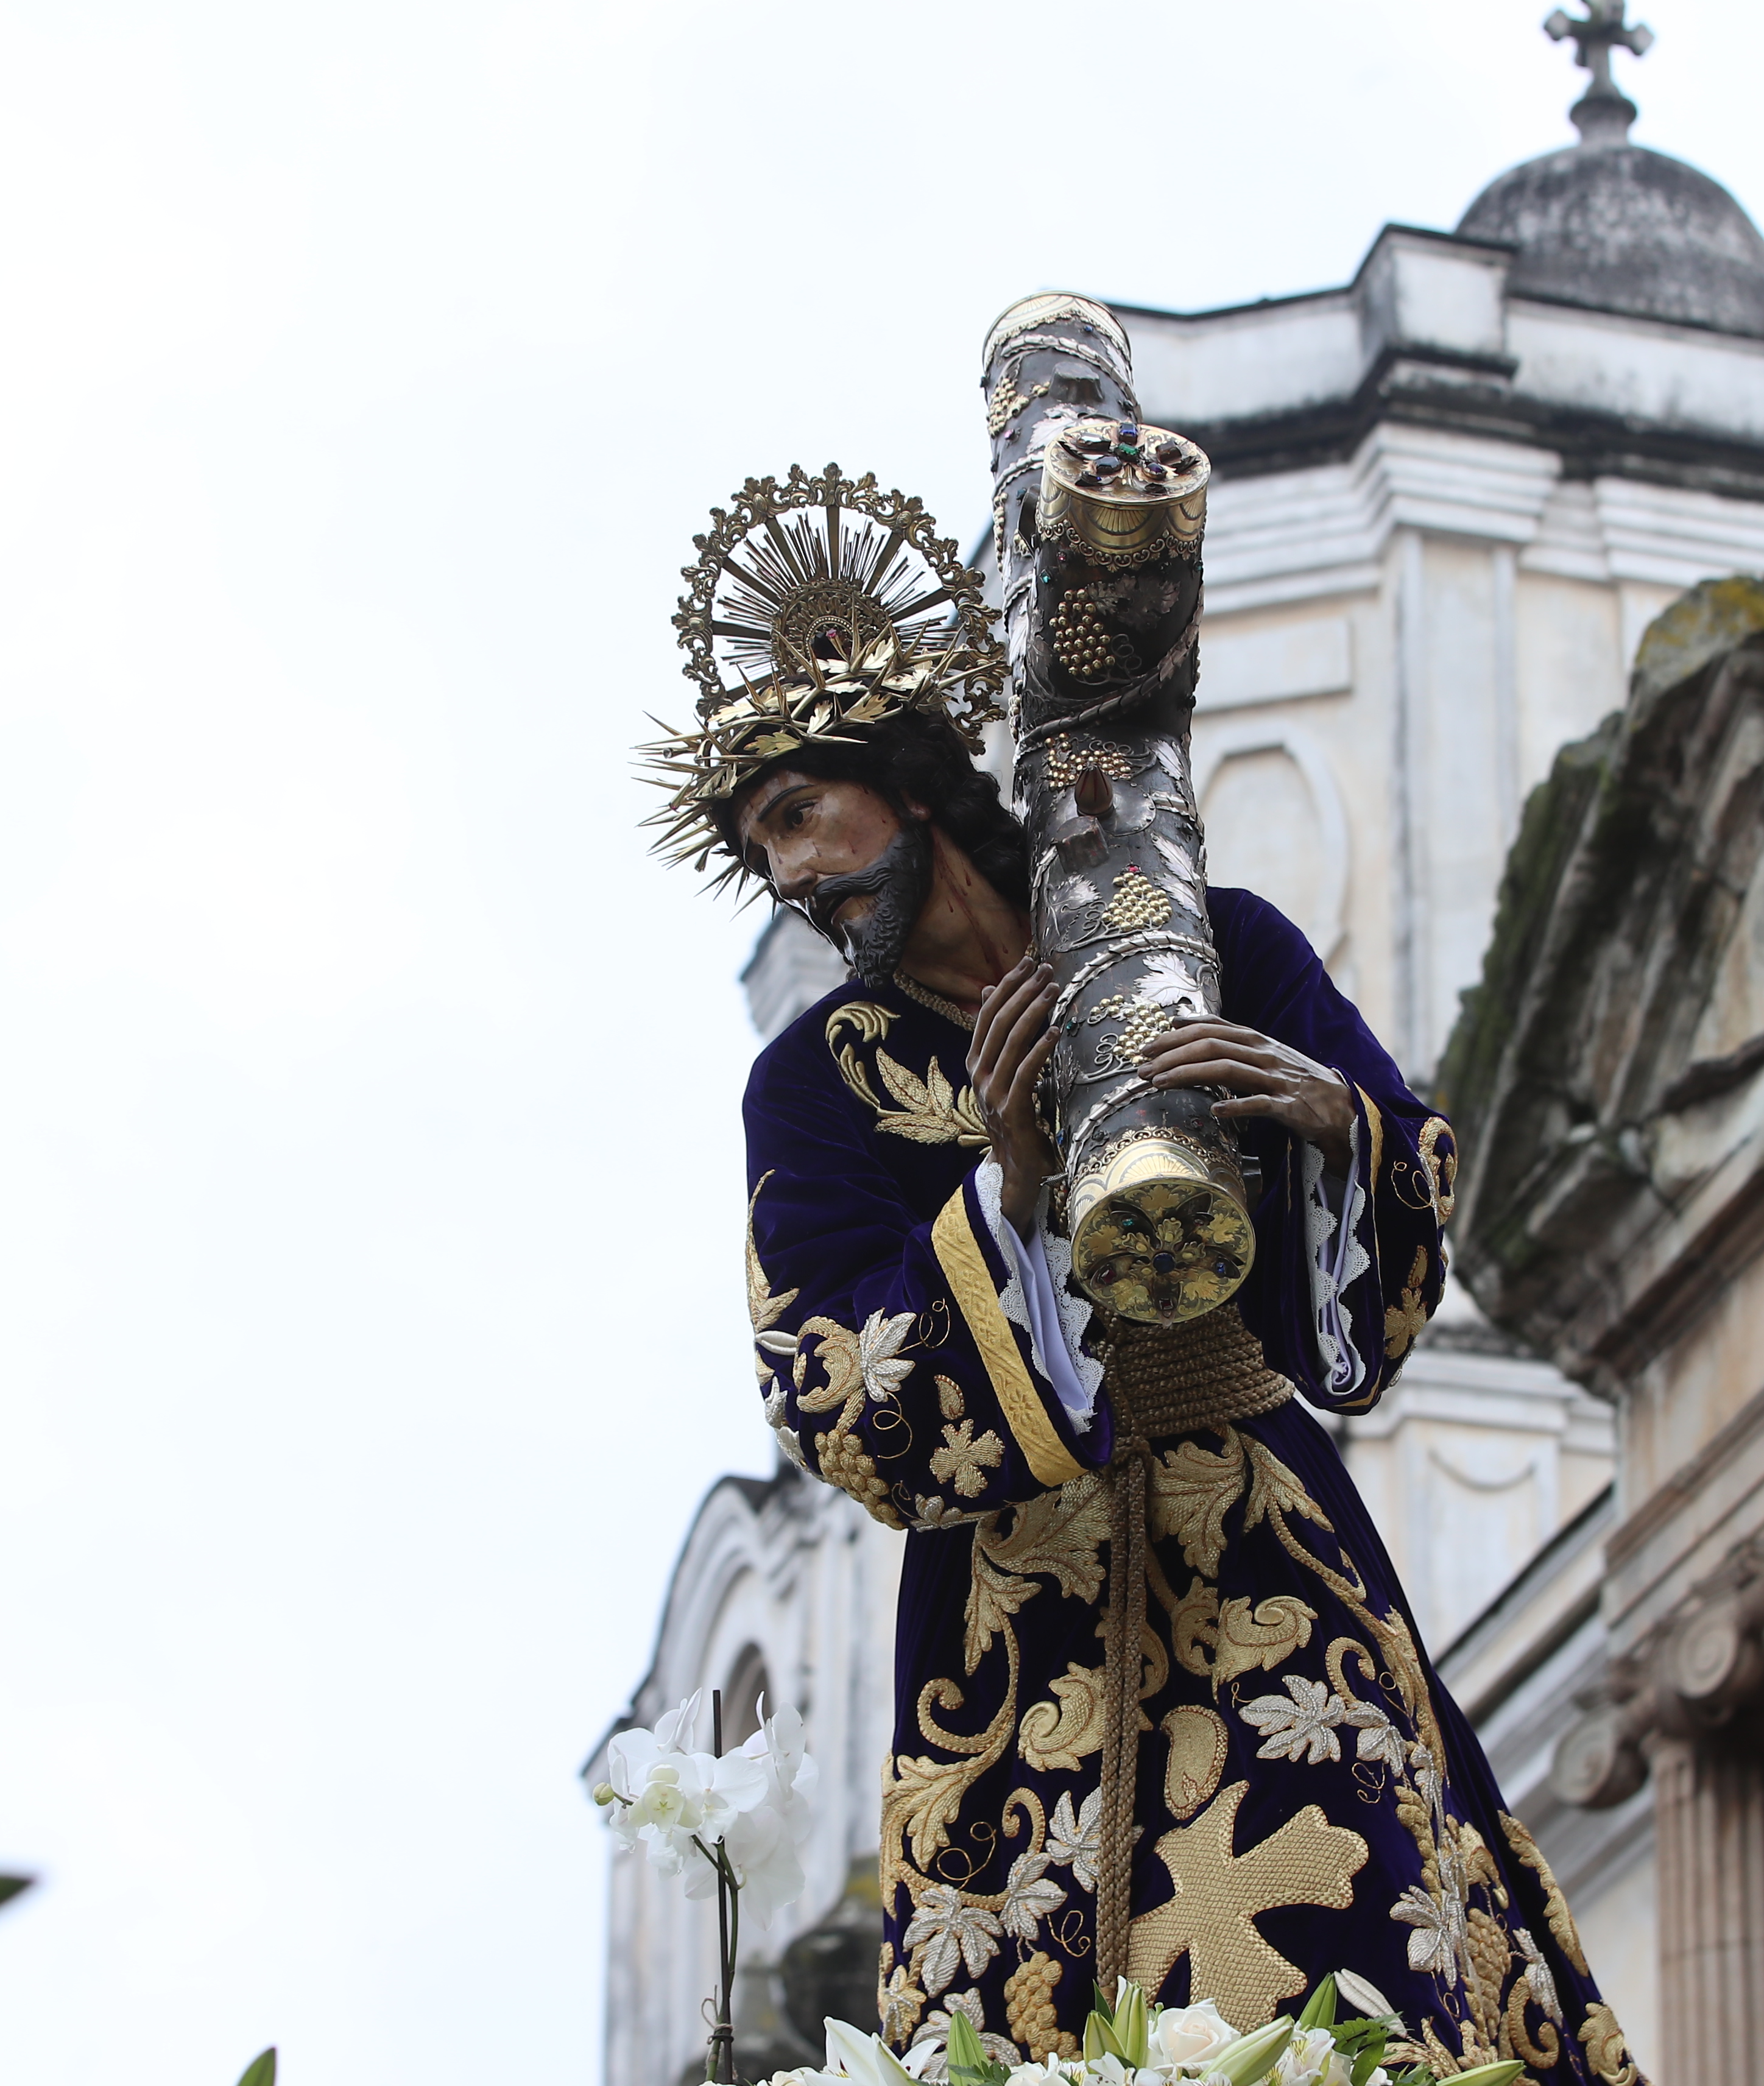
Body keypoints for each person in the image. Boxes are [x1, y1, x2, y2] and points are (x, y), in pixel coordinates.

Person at [646, 473, 1634, 2084]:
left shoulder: (1213, 940)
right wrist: (1013, 1196)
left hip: (1270, 1557)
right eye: (761, 848)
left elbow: (1390, 1263)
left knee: (1361, 1968)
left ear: (904, 788)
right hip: (1009, 1635)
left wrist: (1331, 1129)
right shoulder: (821, 1082)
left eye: (797, 822)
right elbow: (830, 1384)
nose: (788, 880)